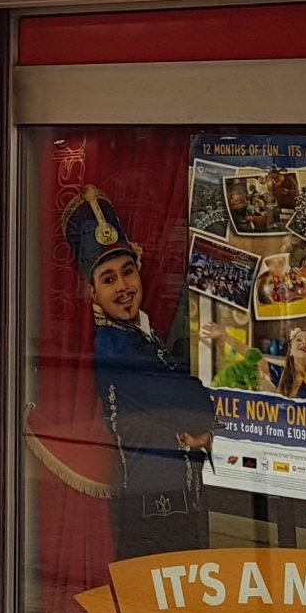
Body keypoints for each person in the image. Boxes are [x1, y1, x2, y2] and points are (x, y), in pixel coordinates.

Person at [67, 186, 215, 559]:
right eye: (109, 279)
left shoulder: (140, 334)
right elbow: (196, 407)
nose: (123, 287)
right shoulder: (117, 348)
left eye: (127, 272)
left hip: (176, 501)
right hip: (151, 510)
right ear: (92, 292)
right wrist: (192, 422)